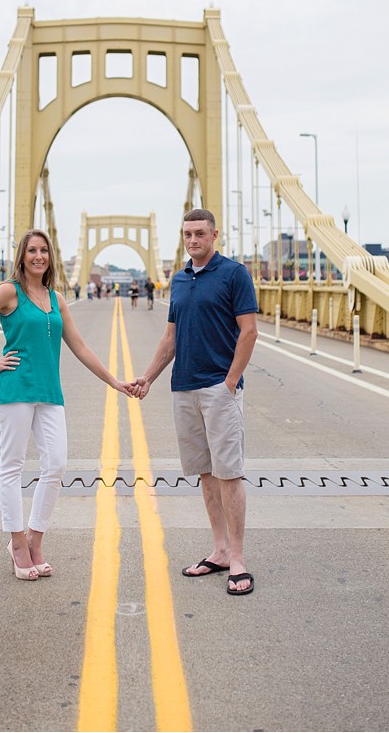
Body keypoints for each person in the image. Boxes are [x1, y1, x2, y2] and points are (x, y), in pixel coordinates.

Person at [0, 229, 132, 581]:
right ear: (22, 256)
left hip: (50, 393)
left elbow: (80, 347)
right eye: (32, 250)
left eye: (44, 251)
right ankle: (17, 543)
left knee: (56, 465)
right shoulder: (9, 292)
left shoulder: (56, 298)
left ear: (50, 257)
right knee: (12, 467)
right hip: (16, 390)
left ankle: (36, 537)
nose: (38, 256)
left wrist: (114, 381)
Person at [127, 208, 260, 596]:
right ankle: (218, 550)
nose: (192, 240)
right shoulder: (180, 280)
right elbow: (170, 338)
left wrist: (230, 382)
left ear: (214, 235)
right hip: (182, 387)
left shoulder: (235, 274)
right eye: (187, 234)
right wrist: (148, 378)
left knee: (229, 474)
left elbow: (249, 332)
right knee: (204, 473)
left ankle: (238, 558)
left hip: (219, 388)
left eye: (200, 233)